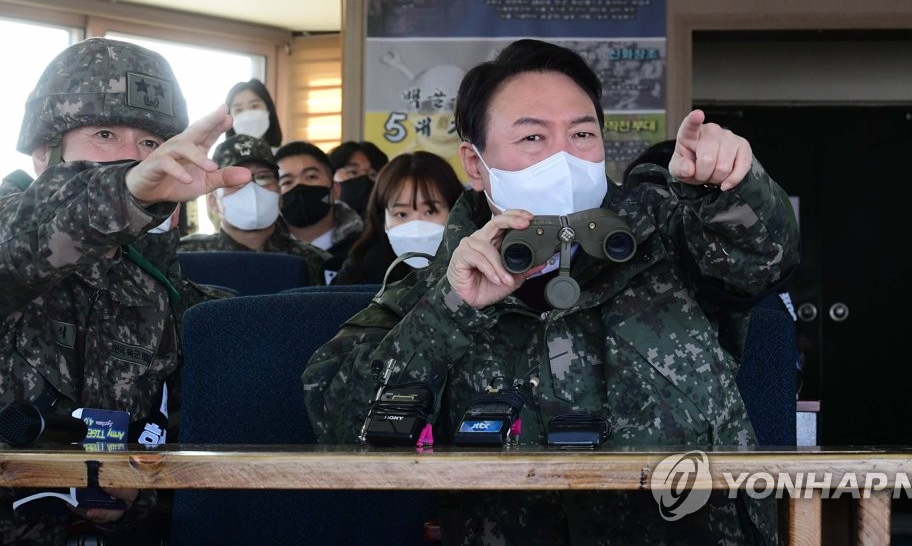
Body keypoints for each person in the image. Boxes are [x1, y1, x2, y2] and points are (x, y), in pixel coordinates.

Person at [302, 39, 799, 544]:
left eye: (582, 133)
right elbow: (344, 429)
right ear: (475, 164)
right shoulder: (430, 292)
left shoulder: (670, 239)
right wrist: (451, 312)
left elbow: (765, 255)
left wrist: (732, 185)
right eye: (533, 138)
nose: (564, 156)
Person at [0, 37, 251, 544]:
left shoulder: (166, 291)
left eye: (151, 144)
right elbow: (22, 246)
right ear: (43, 154)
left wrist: (143, 488)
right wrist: (128, 192)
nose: (134, 159)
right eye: (105, 134)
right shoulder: (11, 238)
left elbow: (192, 447)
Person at [178, 134, 331, 286]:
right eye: (235, 180)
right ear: (213, 201)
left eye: (263, 177)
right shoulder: (183, 257)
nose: (252, 188)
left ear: (279, 195)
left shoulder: (315, 261)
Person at [333, 151, 463, 285]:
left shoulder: (478, 268)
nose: (416, 227)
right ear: (383, 218)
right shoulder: (358, 273)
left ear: (456, 211)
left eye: (430, 211)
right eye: (402, 214)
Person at [274, 141, 363, 277]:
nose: (299, 186)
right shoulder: (264, 251)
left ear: (334, 190)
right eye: (287, 182)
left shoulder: (364, 248)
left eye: (311, 176)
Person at [327, 140, 389, 217]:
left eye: (373, 174)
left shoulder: (391, 223)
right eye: (353, 172)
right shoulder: (317, 224)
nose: (364, 180)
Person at [225, 78, 283, 148]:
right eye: (239, 110)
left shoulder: (284, 157)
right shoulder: (221, 157)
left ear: (268, 109)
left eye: (254, 106)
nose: (247, 116)